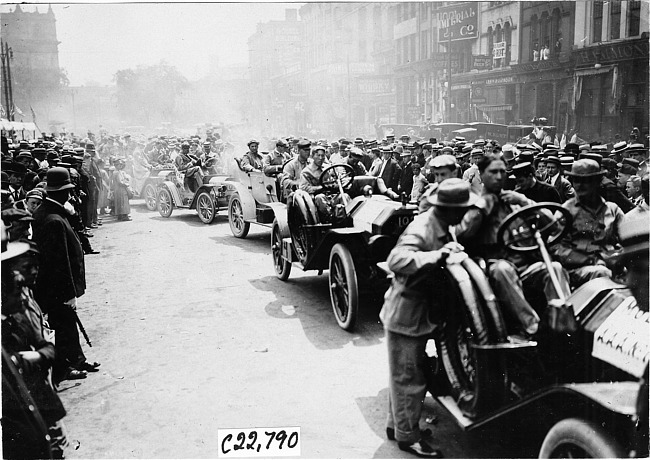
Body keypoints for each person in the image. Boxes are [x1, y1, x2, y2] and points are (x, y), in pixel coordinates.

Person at [381, 179, 477, 459]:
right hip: (406, 314)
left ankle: (397, 426)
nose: (464, 215)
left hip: (420, 312)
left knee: (405, 374)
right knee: (409, 377)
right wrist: (436, 255)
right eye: (462, 209)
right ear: (448, 208)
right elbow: (396, 260)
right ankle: (408, 438)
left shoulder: (443, 225)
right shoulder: (423, 228)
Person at [455, 154, 571, 336]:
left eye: (502, 171)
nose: (499, 176)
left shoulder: (514, 201)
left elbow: (552, 224)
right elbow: (460, 235)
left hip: (525, 266)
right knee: (503, 270)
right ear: (482, 174)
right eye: (493, 172)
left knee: (554, 267)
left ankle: (563, 320)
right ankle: (532, 326)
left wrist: (524, 201)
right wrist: (482, 208)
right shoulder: (474, 204)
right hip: (493, 268)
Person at [2, 236, 69, 458]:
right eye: (15, 290)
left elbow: (48, 349)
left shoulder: (20, 312)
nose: (22, 296)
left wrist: (33, 358)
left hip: (38, 404)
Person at [32, 167, 100, 384]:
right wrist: (68, 293)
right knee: (63, 326)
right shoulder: (52, 220)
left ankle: (77, 359)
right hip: (57, 288)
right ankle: (64, 367)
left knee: (68, 324)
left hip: (56, 287)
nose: (71, 194)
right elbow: (58, 263)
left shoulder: (53, 213)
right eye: (68, 190)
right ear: (60, 193)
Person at [551, 160, 625, 287]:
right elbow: (556, 248)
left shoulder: (612, 210)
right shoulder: (566, 212)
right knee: (601, 273)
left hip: (612, 265)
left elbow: (630, 239)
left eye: (586, 181)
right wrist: (591, 260)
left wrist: (619, 256)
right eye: (576, 181)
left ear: (597, 182)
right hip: (578, 271)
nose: (579, 186)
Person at [299, 145, 350, 223]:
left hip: (331, 196)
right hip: (316, 198)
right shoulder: (306, 171)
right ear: (312, 156)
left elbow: (335, 179)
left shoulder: (328, 168)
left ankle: (347, 216)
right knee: (320, 198)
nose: (320, 158)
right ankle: (329, 220)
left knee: (345, 196)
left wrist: (338, 183)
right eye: (318, 155)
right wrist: (320, 188)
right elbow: (304, 187)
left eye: (322, 156)